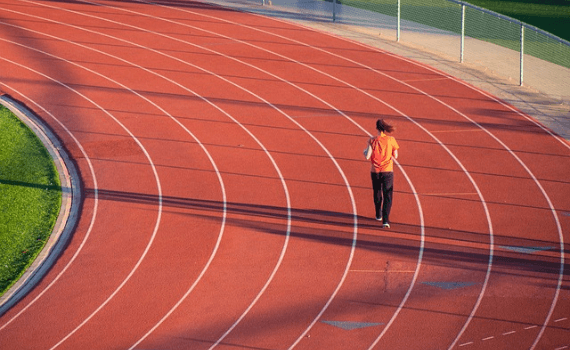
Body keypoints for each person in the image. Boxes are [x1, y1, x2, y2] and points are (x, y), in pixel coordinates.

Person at [364, 119, 399, 228]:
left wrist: (364, 151)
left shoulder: (372, 140)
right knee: (388, 194)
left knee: (377, 192)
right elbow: (396, 155)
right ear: (385, 128)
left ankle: (378, 214)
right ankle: (385, 220)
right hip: (388, 171)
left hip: (375, 171)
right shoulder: (391, 140)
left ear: (377, 128)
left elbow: (367, 156)